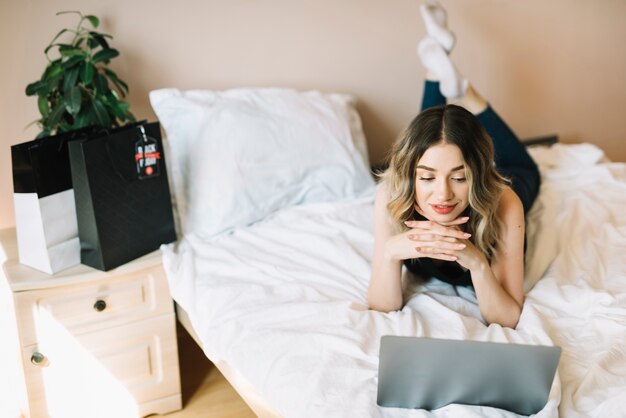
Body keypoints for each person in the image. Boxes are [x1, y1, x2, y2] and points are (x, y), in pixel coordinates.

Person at [367, 1, 540, 328]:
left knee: (526, 168)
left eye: (459, 177)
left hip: (507, 182)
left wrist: (477, 263)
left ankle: (465, 93)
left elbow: (508, 316)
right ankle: (440, 69)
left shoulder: (504, 203)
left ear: (478, 172)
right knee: (433, 137)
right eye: (427, 178)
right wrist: (390, 252)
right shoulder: (391, 196)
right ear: (409, 175)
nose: (442, 195)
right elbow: (380, 306)